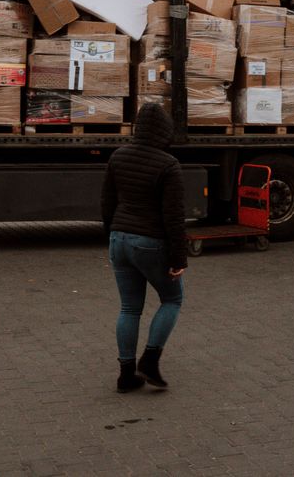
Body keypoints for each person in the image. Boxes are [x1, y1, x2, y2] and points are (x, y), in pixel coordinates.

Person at [101, 102, 187, 393]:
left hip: (119, 240)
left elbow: (107, 204)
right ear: (165, 132)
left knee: (129, 307)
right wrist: (178, 258)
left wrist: (111, 236)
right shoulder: (168, 164)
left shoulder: (118, 156)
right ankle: (149, 360)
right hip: (150, 244)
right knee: (172, 299)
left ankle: (126, 375)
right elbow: (173, 217)